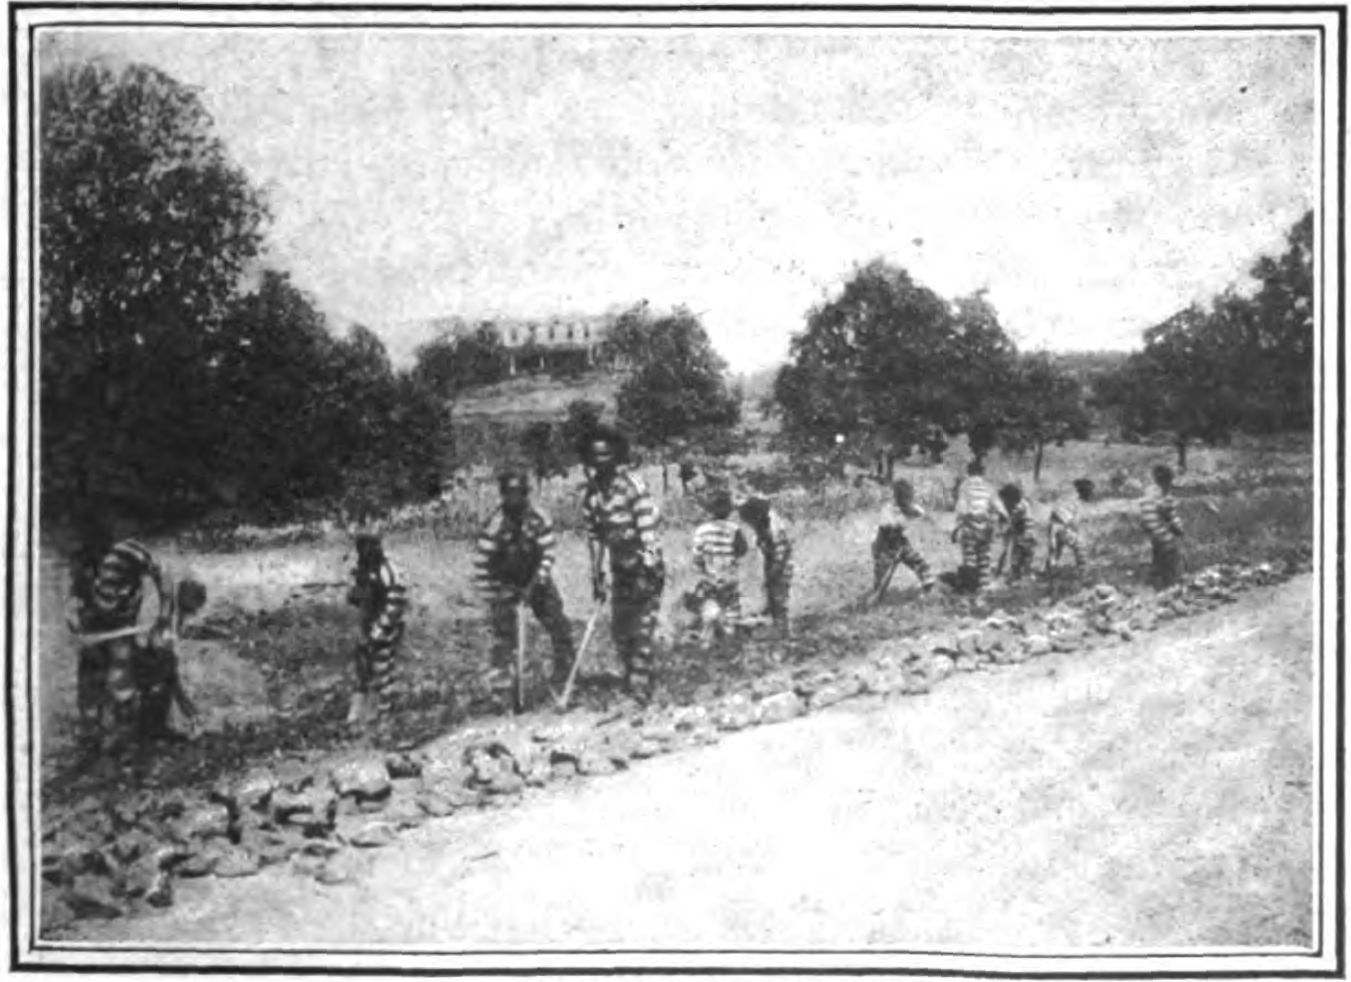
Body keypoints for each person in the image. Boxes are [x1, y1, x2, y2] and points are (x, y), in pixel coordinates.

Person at [65, 511, 176, 747]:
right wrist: (73, 613)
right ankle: (93, 731)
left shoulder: (126, 551)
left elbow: (162, 575)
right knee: (90, 677)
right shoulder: (82, 560)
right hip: (93, 624)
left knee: (120, 672)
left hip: (121, 621)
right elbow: (73, 597)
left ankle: (127, 733)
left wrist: (164, 618)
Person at [579, 425, 665, 705]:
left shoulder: (632, 485)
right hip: (619, 569)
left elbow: (646, 525)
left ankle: (640, 688)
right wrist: (597, 574)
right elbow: (595, 538)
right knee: (620, 629)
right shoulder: (592, 495)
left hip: (643, 565)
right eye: (595, 455)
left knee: (641, 628)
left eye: (606, 454)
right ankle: (633, 678)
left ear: (616, 455)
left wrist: (649, 560)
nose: (600, 460)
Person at [472, 469, 576, 695]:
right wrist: (493, 597)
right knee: (504, 633)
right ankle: (504, 683)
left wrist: (536, 582)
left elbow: (548, 553)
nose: (515, 498)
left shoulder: (539, 518)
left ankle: (565, 674)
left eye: (519, 493)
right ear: (502, 495)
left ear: (526, 493)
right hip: (505, 583)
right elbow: (482, 565)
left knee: (558, 625)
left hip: (537, 578)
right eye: (509, 493)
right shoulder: (494, 525)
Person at [345, 531, 409, 727]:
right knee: (362, 668)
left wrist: (379, 630)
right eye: (361, 547)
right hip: (368, 623)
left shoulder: (388, 570)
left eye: (368, 547)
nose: (364, 551)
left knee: (382, 669)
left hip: (385, 626)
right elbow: (357, 599)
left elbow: (396, 604)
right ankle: (358, 715)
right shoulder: (364, 568)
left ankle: (384, 714)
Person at [686, 487, 750, 649]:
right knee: (731, 608)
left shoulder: (701, 530)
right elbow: (742, 550)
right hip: (729, 576)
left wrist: (701, 570)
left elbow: (697, 556)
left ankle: (709, 640)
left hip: (709, 576)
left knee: (711, 605)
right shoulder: (733, 529)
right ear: (729, 510)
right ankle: (730, 640)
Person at [737, 494, 794, 636]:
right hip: (772, 563)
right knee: (772, 596)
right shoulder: (763, 524)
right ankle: (777, 626)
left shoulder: (774, 527)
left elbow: (781, 552)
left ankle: (783, 630)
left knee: (779, 599)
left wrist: (773, 572)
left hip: (781, 567)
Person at [872, 478, 935, 598]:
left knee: (918, 562)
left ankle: (928, 585)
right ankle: (877, 593)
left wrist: (925, 518)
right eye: (904, 498)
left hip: (901, 542)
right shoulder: (889, 510)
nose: (907, 501)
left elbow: (922, 514)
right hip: (885, 544)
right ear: (896, 497)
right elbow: (887, 528)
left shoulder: (911, 508)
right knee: (882, 571)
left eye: (909, 497)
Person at [952, 460, 1008, 593]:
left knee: (970, 556)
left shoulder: (965, 485)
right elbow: (998, 505)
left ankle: (970, 587)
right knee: (984, 557)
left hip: (969, 526)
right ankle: (983, 587)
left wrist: (956, 527)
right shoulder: (988, 486)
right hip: (986, 526)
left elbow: (961, 506)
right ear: (982, 472)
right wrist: (1004, 517)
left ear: (969, 472)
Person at [1140, 465, 1184, 587]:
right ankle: (1171, 587)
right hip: (1165, 539)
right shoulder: (1166, 497)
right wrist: (1180, 530)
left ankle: (1155, 590)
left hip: (1151, 538)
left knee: (1156, 565)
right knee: (1172, 566)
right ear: (1168, 481)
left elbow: (1144, 520)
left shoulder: (1145, 496)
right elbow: (1173, 519)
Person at [1046, 478, 1095, 576]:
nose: (1091, 494)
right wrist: (1069, 522)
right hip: (1061, 527)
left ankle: (1051, 572)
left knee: (1055, 551)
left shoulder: (1076, 501)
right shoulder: (1071, 500)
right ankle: (1082, 570)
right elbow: (1057, 511)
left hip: (1059, 527)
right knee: (1078, 546)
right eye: (1089, 491)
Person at [997, 483, 1037, 583]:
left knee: (1016, 558)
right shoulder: (1024, 503)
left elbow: (1012, 521)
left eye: (1006, 500)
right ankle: (1027, 575)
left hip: (1023, 536)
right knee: (1027, 557)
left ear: (1011, 498)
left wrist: (1005, 530)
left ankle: (1015, 577)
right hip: (1030, 536)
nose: (1005, 503)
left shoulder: (1018, 507)